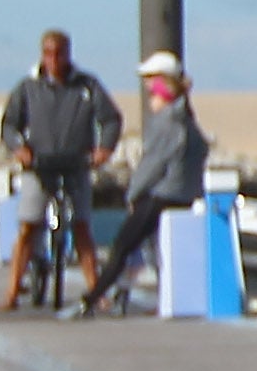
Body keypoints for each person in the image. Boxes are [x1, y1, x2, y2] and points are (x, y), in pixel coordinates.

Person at [0, 30, 124, 314]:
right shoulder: (28, 87)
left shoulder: (87, 85)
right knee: (29, 225)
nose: (54, 59)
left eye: (59, 53)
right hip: (38, 165)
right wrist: (19, 148)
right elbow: (9, 125)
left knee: (81, 226)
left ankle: (96, 291)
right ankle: (12, 291)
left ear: (68, 54)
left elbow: (111, 119)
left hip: (76, 164)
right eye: (48, 53)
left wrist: (104, 149)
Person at [78, 50, 202, 316]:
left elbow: (153, 164)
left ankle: (91, 298)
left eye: (151, 85)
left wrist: (133, 194)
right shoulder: (186, 121)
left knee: (123, 245)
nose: (147, 92)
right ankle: (162, 297)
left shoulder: (169, 121)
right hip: (183, 194)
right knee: (156, 250)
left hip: (162, 194)